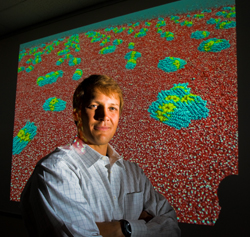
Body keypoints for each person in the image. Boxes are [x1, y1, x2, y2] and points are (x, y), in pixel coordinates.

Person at [21, 74, 181, 237]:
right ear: (76, 114)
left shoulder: (134, 173)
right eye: (94, 106)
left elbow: (171, 227)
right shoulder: (57, 169)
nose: (104, 116)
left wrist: (121, 229)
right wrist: (141, 225)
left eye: (112, 108)